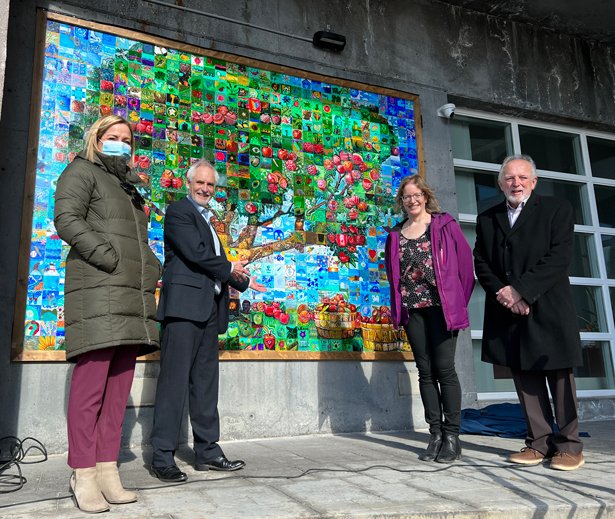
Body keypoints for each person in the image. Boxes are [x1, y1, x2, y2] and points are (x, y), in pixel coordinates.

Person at [54, 115, 162, 512]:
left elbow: (137, 238)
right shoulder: (81, 170)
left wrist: (151, 266)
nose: (121, 144)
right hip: (98, 291)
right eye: (113, 137)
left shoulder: (129, 186)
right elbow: (66, 219)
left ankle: (106, 469)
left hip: (131, 295)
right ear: (96, 140)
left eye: (127, 139)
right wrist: (107, 257)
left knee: (118, 391)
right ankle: (83, 473)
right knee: (90, 388)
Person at [150, 159, 266, 483]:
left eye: (211, 185)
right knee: (173, 385)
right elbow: (197, 255)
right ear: (189, 184)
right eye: (200, 183)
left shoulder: (209, 221)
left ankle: (208, 452)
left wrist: (241, 279)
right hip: (183, 312)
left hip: (208, 312)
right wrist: (230, 268)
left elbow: (214, 266)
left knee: (205, 385)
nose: (205, 189)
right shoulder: (178, 213)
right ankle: (162, 456)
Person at [473, 154, 584, 471]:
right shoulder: (488, 217)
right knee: (525, 376)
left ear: (534, 182)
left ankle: (570, 446)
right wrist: (504, 294)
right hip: (509, 310)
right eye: (509, 178)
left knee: (559, 376)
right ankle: (538, 443)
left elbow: (559, 257)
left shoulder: (556, 210)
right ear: (500, 183)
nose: (515, 183)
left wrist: (520, 290)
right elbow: (481, 261)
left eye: (522, 177)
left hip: (547, 305)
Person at [385, 175, 474, 463]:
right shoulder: (395, 235)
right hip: (413, 310)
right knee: (425, 372)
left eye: (416, 195)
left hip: (441, 308)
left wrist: (456, 301)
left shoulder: (444, 225)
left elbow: (465, 267)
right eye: (405, 197)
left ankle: (452, 437)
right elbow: (393, 276)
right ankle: (435, 434)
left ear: (425, 196)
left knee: (445, 370)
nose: (411, 200)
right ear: (402, 202)